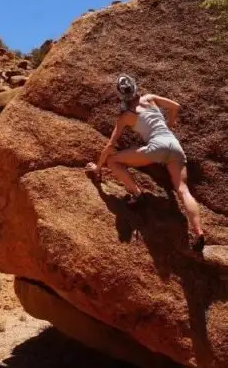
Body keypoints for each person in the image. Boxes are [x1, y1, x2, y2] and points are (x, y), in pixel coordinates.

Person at [85, 74, 206, 252]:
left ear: (120, 95)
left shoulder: (125, 116)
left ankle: (137, 194)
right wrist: (169, 124)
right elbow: (176, 107)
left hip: (156, 147)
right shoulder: (150, 98)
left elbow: (111, 145)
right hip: (174, 145)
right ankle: (198, 232)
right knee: (182, 189)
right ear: (135, 86)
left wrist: (98, 167)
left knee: (113, 160)